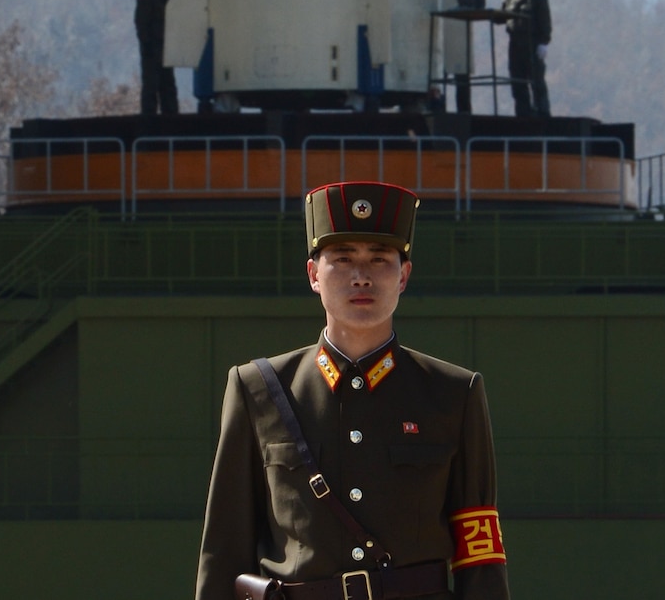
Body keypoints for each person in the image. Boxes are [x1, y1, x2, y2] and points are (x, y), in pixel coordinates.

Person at [194, 180, 510, 600]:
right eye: (342, 259)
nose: (361, 276)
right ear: (313, 274)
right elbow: (224, 548)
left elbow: (479, 552)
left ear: (404, 276)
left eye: (380, 259)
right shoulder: (258, 390)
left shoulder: (454, 393)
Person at [501, 0, 552, 118]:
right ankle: (523, 114)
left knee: (536, 82)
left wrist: (543, 44)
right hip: (514, 46)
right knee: (517, 82)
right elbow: (501, 16)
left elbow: (545, 23)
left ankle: (542, 113)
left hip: (532, 45)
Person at [134, 0, 180, 115]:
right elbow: (141, 24)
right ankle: (150, 121)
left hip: (166, 53)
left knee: (168, 88)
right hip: (152, 52)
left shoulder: (169, 2)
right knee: (151, 88)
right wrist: (147, 45)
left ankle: (171, 119)